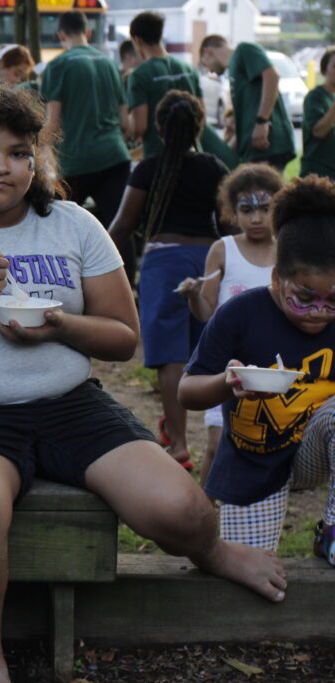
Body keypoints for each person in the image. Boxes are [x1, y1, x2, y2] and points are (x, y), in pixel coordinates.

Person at [0, 80, 288, 683]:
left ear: (37, 160)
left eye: (20, 152)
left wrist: (62, 326)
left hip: (69, 405)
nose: (3, 166)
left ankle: (216, 552)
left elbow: (123, 337)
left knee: (184, 508)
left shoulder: (71, 224)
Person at [179, 175, 335, 564]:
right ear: (277, 279)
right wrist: (226, 382)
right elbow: (187, 390)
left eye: (333, 301)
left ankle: (332, 531)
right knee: (250, 574)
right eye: (304, 298)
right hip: (253, 459)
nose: (319, 311)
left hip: (314, 447)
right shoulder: (241, 313)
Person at [108, 92, 229, 469]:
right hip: (208, 261)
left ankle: (178, 444)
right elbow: (227, 225)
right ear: (199, 125)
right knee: (206, 351)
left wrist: (98, 266)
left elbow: (123, 227)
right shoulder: (214, 167)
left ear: (159, 127)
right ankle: (219, 436)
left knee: (171, 358)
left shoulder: (148, 168)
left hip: (164, 263)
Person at [176, 163, 282, 485]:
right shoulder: (223, 250)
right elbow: (206, 313)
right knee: (217, 444)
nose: (256, 217)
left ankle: (248, 510)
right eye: (246, 209)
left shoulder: (287, 250)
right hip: (228, 366)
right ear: (232, 212)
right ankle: (201, 510)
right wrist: (193, 295)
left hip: (276, 368)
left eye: (265, 208)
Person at [41, 11, 135, 280]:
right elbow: (126, 122)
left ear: (61, 36)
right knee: (120, 227)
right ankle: (128, 289)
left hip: (76, 161)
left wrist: (34, 147)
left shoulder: (59, 66)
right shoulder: (108, 64)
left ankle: (61, 282)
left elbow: (53, 124)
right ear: (88, 32)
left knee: (57, 226)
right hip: (115, 155)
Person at [126, 11, 238, 169]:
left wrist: (126, 120)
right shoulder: (188, 70)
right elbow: (201, 115)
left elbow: (139, 127)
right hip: (192, 156)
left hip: (158, 161)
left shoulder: (139, 75)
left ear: (137, 40)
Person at [200, 35, 296, 171]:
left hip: (267, 144)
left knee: (264, 190)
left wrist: (262, 122)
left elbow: (271, 75)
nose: (210, 71)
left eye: (205, 64)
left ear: (208, 52)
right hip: (252, 148)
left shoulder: (243, 50)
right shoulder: (233, 69)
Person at [301, 47, 335, 181]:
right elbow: (318, 131)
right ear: (324, 69)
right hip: (318, 175)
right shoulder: (315, 97)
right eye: (334, 66)